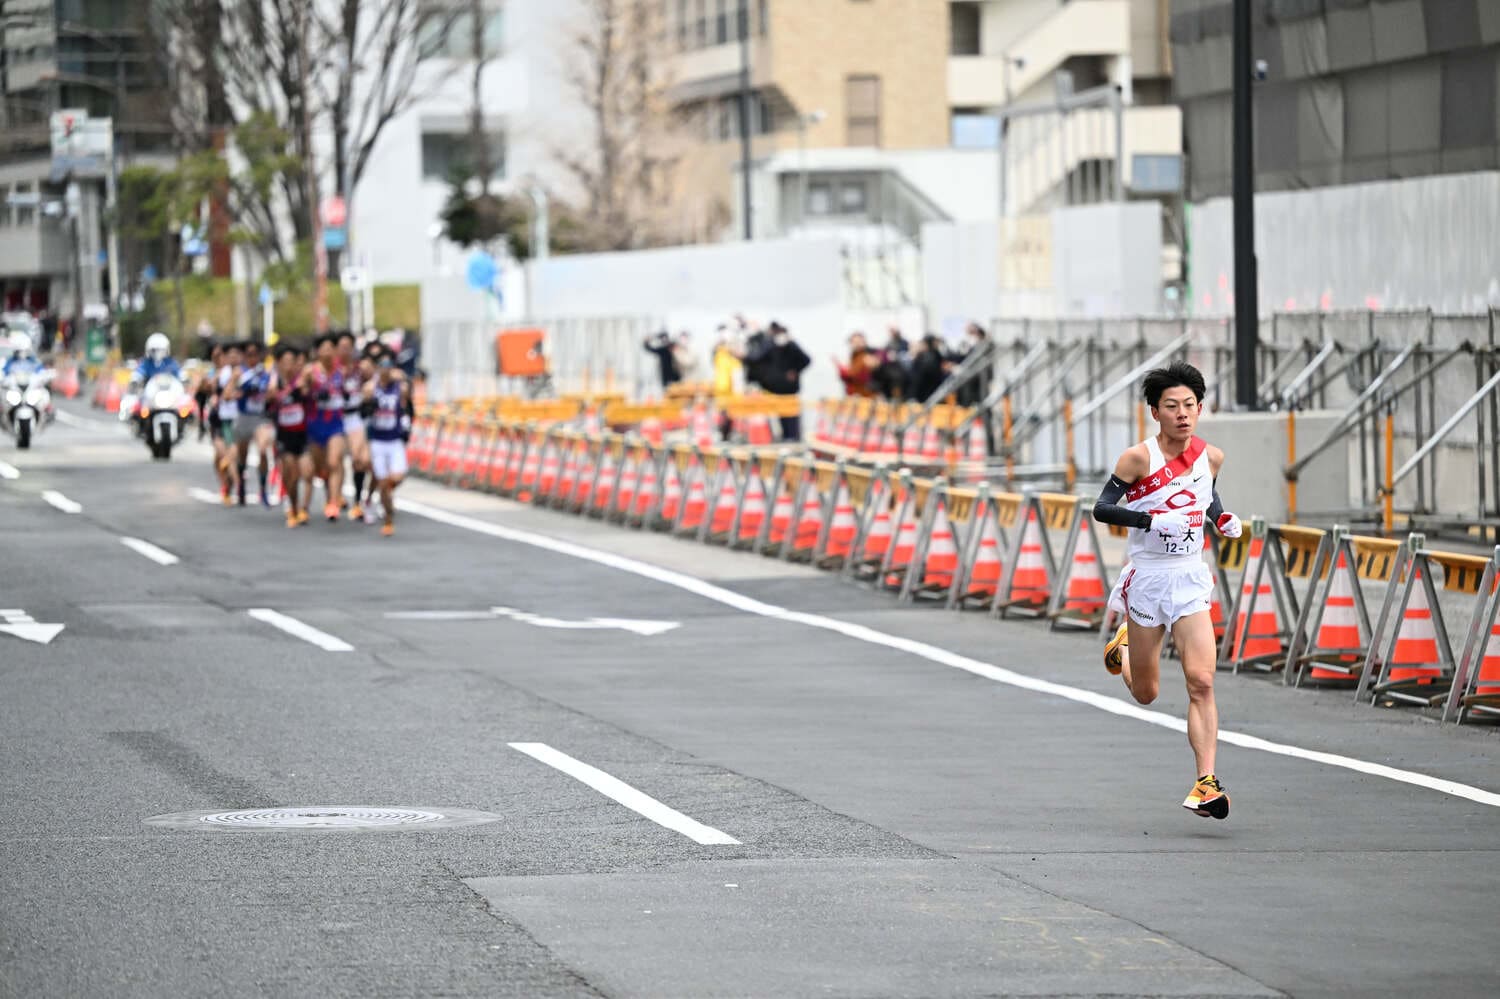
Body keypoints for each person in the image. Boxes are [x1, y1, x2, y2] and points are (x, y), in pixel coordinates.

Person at [1093, 361, 1243, 820]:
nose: (1183, 414)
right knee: (1147, 693)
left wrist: (1221, 518)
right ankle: (1122, 642)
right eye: (1172, 406)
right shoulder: (1137, 459)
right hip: (1149, 577)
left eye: (1190, 406)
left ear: (1200, 408)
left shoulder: (1210, 456)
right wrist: (1150, 520)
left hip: (1189, 576)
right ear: (1154, 411)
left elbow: (1205, 494)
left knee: (1201, 681)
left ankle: (1205, 782)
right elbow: (1102, 508)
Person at [365, 349, 411, 537]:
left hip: (394, 440)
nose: (386, 370)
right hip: (378, 440)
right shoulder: (370, 387)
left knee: (397, 477)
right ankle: (388, 520)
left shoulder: (399, 387)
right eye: (382, 366)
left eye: (389, 366)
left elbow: (407, 404)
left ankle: (382, 498)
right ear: (376, 368)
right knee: (383, 482)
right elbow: (363, 409)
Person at [269, 344, 314, 527]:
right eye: (285, 362)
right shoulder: (274, 384)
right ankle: (293, 506)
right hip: (284, 437)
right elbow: (269, 403)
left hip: (302, 435)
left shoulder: (302, 381)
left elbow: (310, 386)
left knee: (307, 472)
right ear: (279, 363)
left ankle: (304, 508)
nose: (288, 366)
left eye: (292, 362)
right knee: (291, 475)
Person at [743, 320, 810, 441]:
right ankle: (787, 437)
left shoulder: (792, 346)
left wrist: (795, 370)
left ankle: (793, 438)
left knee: (792, 417)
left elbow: (806, 360)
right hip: (778, 390)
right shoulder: (771, 345)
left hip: (791, 390)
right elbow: (756, 358)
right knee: (783, 416)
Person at [306, 333, 349, 521]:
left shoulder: (343, 370)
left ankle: (333, 501)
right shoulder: (310, 371)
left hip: (336, 423)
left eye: (330, 348)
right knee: (320, 468)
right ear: (317, 352)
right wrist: (312, 392)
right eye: (323, 348)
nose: (327, 352)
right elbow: (300, 391)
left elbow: (352, 389)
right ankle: (329, 492)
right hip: (316, 422)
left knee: (334, 461)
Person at [336, 331, 373, 522]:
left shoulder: (360, 369)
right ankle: (335, 496)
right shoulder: (330, 370)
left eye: (348, 348)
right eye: (341, 348)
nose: (345, 351)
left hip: (354, 416)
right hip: (334, 417)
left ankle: (358, 500)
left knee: (359, 459)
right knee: (334, 460)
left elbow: (377, 381)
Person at [233, 340, 275, 506]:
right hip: (244, 417)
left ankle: (263, 489)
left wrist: (267, 394)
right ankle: (241, 484)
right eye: (249, 355)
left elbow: (272, 392)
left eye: (255, 355)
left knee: (263, 450)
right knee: (242, 456)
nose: (252, 358)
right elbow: (228, 393)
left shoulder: (266, 373)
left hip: (260, 418)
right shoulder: (239, 373)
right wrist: (241, 391)